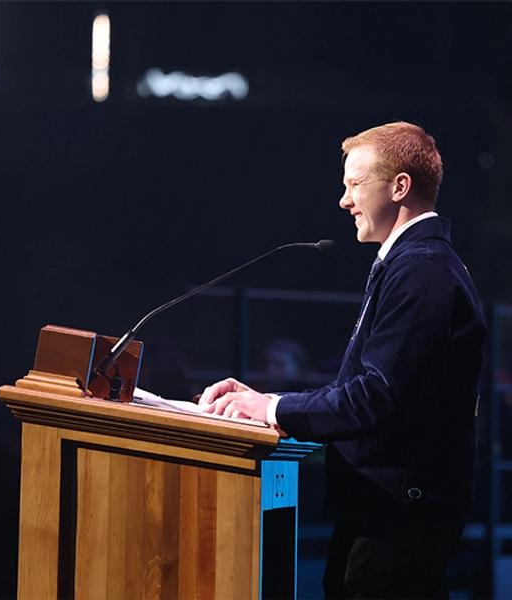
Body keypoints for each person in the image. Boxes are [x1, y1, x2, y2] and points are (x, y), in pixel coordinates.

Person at [199, 122, 486, 599]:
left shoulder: (423, 270)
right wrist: (268, 401)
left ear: (399, 187)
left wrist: (270, 411)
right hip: (387, 511)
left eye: (355, 184)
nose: (344, 201)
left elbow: (376, 397)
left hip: (396, 517)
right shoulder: (413, 265)